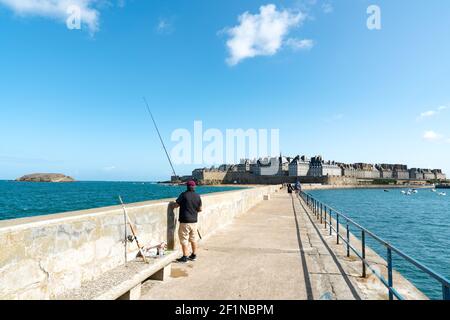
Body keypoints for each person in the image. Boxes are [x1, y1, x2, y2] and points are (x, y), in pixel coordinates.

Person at [173, 180, 202, 263]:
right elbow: (200, 209)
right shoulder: (198, 196)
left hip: (185, 221)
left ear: (187, 186)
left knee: (184, 239)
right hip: (194, 222)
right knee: (193, 239)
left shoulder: (183, 195)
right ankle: (194, 255)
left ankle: (185, 257)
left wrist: (173, 204)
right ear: (194, 187)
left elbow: (176, 205)